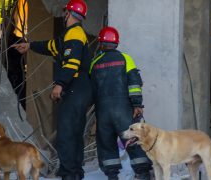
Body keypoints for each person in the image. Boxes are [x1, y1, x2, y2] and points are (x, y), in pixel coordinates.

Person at [11, 1, 92, 179]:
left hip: (75, 89)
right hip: (80, 89)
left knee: (66, 133)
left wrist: (60, 84)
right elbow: (52, 46)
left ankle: (69, 174)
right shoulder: (71, 35)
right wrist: (30, 46)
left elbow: (72, 63)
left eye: (66, 13)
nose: (63, 16)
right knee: (74, 133)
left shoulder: (75, 34)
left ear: (69, 14)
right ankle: (75, 173)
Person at [89, 26, 152, 180]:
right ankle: (143, 174)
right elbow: (134, 83)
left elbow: (91, 90)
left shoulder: (94, 63)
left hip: (103, 111)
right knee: (134, 141)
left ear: (101, 43)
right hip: (124, 109)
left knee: (106, 144)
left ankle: (112, 176)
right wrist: (137, 105)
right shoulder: (125, 59)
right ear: (116, 43)